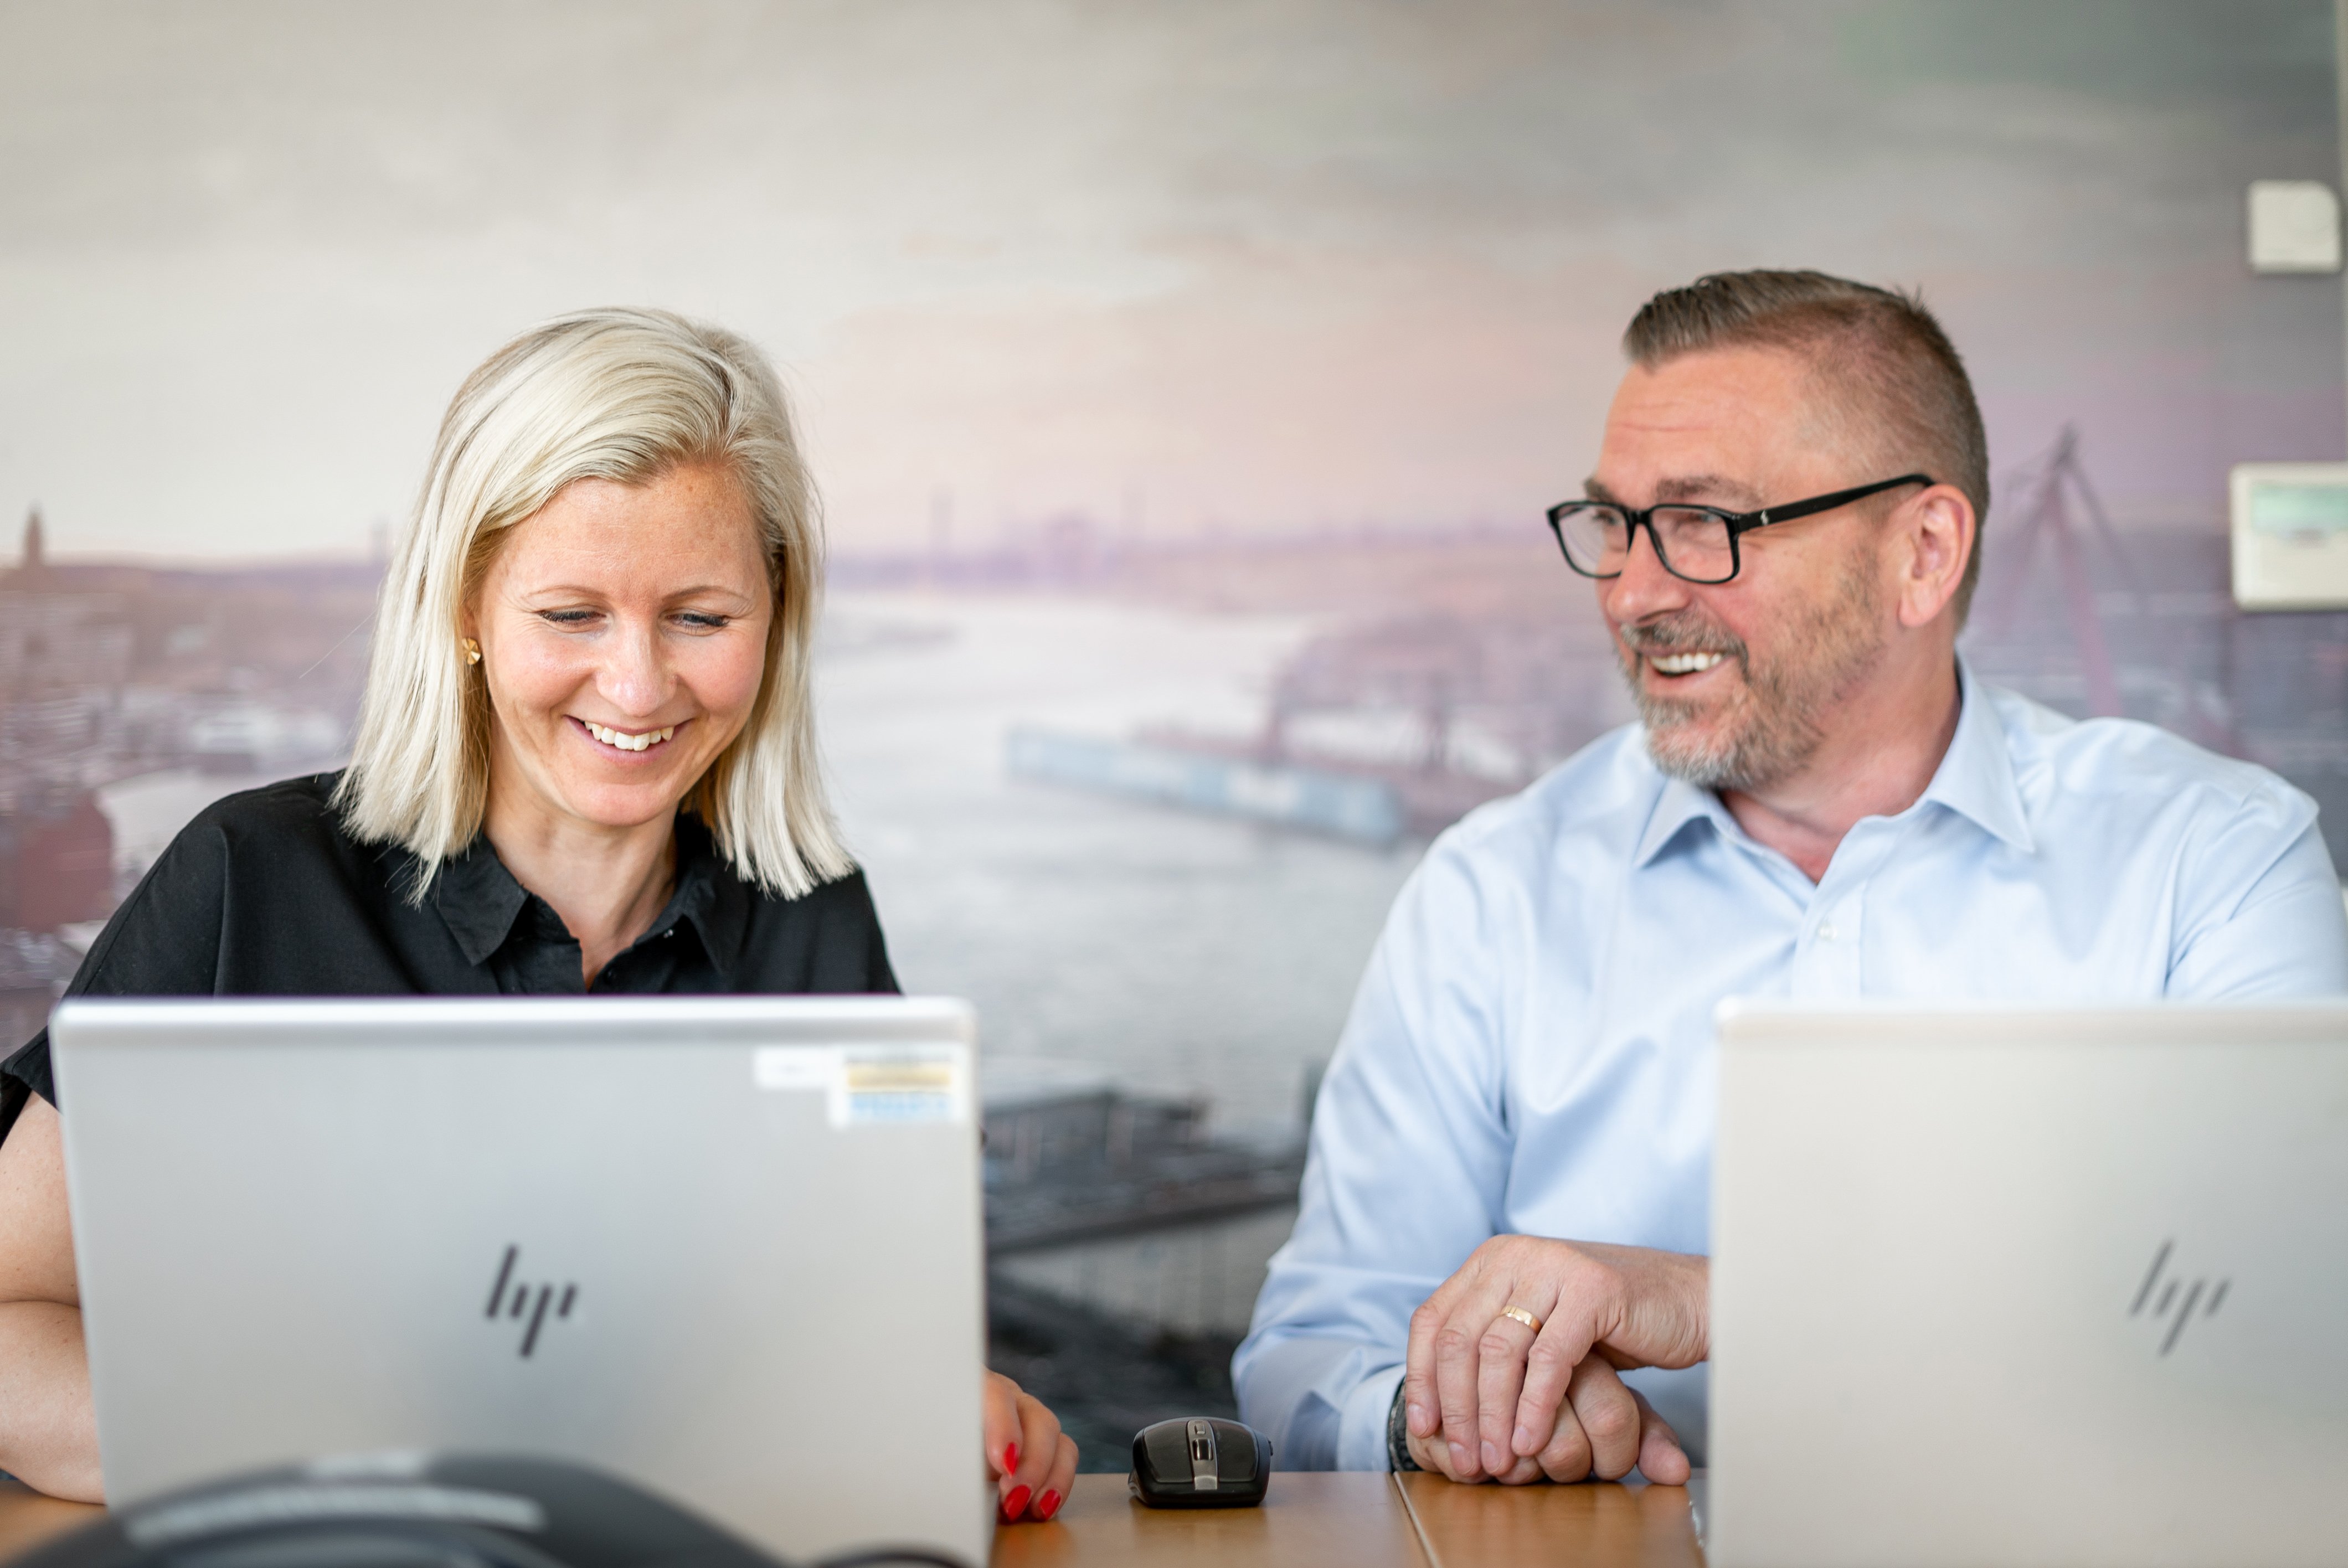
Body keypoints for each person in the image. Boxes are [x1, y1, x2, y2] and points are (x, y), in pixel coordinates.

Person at [1233, 269, 2348, 1484]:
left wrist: (1724, 1299)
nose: (1634, 593)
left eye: (1705, 524)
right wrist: (1450, 1415)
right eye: (1613, 524)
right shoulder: (1489, 895)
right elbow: (1310, 1359)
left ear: (1920, 554)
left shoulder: (2211, 863)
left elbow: (2288, 1321)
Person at [0, 308, 1078, 1522]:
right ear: (463, 608)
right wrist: (365, 1458)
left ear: (773, 623)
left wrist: (947, 1412)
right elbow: (5, 1331)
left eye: (701, 618)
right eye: (571, 615)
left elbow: (860, 1365)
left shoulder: (813, 924)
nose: (636, 684)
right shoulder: (248, 877)